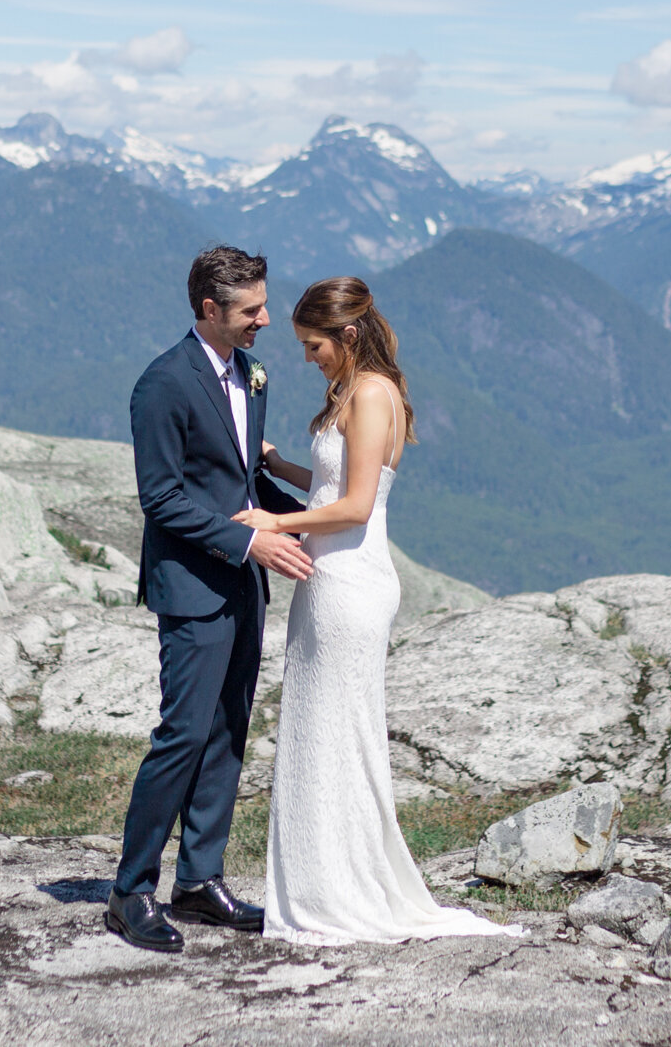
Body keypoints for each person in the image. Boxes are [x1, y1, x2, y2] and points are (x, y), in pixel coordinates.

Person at [239, 276, 523, 945]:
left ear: (347, 335)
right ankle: (330, 880)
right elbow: (339, 484)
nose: (307, 358)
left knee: (332, 734)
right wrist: (281, 466)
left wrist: (270, 525)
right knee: (330, 732)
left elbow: (357, 506)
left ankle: (333, 889)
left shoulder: (368, 394)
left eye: (313, 345)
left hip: (346, 580)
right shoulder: (368, 391)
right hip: (339, 574)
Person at [106, 246, 314, 953]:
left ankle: (199, 880)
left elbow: (244, 485)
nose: (264, 319)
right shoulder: (162, 385)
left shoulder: (251, 375)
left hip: (244, 581)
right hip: (193, 586)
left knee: (228, 731)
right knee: (183, 735)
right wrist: (248, 542)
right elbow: (160, 498)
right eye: (251, 310)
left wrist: (315, 519)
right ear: (208, 310)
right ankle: (131, 889)